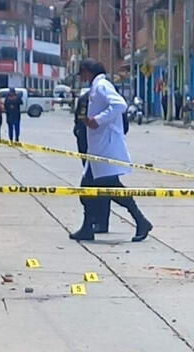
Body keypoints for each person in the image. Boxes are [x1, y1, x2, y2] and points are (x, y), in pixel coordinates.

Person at [69, 59, 152, 243]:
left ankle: (141, 220)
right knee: (88, 189)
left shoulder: (102, 86)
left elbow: (119, 105)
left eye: (82, 74)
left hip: (106, 148)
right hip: (97, 149)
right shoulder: (95, 87)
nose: (82, 78)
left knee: (112, 188)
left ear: (88, 71)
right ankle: (87, 226)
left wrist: (97, 120)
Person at [73, 86, 111, 234]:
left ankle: (96, 222)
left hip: (101, 150)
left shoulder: (104, 101)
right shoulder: (87, 98)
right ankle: (92, 222)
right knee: (95, 186)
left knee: (105, 187)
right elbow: (79, 124)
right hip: (91, 149)